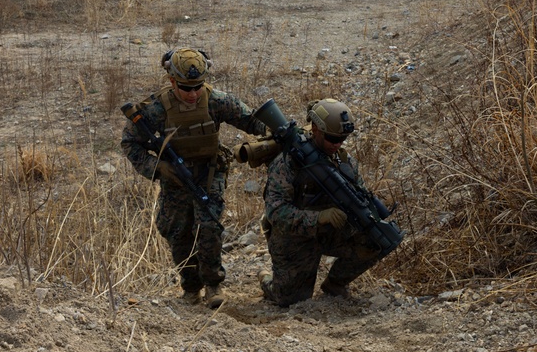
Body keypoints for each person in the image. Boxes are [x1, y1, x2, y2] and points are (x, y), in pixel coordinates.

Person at [121, 47, 268, 308]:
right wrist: (157, 168)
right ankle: (191, 286)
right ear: (172, 81)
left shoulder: (216, 101)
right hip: (174, 179)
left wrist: (279, 133)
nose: (192, 94)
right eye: (186, 88)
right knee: (177, 232)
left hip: (208, 174)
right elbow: (130, 142)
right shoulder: (155, 109)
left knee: (209, 227)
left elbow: (252, 121)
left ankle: (213, 284)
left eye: (197, 86)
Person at [260, 98, 384, 307]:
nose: (337, 144)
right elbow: (276, 212)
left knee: (375, 239)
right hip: (295, 237)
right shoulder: (288, 163)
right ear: (315, 128)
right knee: (291, 300)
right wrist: (319, 217)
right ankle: (265, 280)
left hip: (330, 233)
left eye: (342, 139)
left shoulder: (345, 163)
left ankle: (335, 284)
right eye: (331, 138)